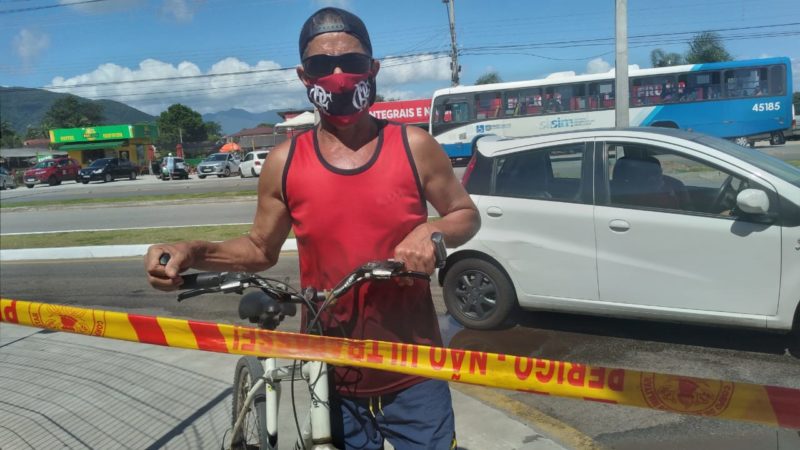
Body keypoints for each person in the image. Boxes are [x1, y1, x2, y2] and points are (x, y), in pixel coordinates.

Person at [144, 7, 480, 450]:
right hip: (330, 371)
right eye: (323, 65)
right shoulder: (284, 162)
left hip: (414, 369)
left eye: (352, 62)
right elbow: (260, 248)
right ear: (304, 76)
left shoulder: (413, 145)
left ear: (373, 69)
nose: (338, 77)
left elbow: (465, 213)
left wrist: (432, 232)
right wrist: (192, 251)